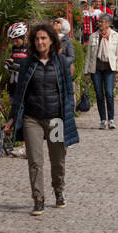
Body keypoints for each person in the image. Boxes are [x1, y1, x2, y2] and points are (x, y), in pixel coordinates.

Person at [5, 22, 79, 215]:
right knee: (35, 161)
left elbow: (68, 92)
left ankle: (59, 190)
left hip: (55, 119)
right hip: (33, 119)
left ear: (51, 40)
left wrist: (69, 114)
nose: (40, 42)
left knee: (58, 159)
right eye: (37, 39)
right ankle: (38, 198)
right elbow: (20, 92)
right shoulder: (28, 63)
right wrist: (12, 117)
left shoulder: (61, 62)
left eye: (44, 38)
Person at [84, 13, 118, 130]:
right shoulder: (93, 36)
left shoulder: (115, 36)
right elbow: (88, 56)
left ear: (108, 24)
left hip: (109, 69)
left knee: (109, 93)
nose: (99, 23)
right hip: (96, 69)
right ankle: (102, 120)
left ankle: (111, 119)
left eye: (102, 22)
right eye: (99, 22)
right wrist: (86, 73)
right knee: (99, 94)